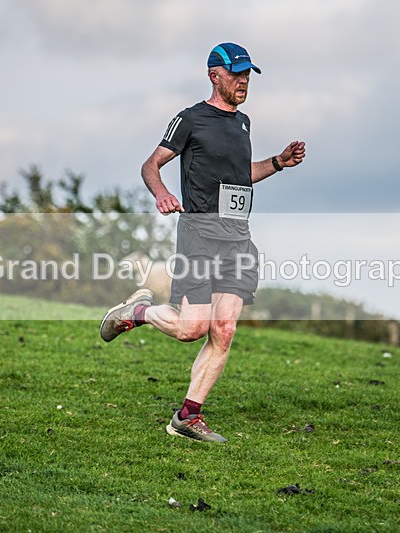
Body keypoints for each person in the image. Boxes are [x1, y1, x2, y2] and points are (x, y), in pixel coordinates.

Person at [100, 42, 305, 443]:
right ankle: (138, 311)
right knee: (192, 329)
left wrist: (278, 162)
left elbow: (240, 174)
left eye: (248, 74)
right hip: (199, 234)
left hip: (238, 238)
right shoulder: (190, 119)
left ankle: (187, 417)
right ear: (215, 75)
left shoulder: (243, 122)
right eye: (236, 73)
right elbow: (151, 163)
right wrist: (161, 193)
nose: (244, 80)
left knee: (224, 329)